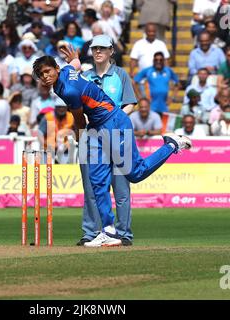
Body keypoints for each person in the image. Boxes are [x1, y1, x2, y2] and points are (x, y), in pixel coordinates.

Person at [32, 45, 192, 247]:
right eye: (41, 75)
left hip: (113, 122)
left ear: (56, 68)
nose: (45, 77)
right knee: (97, 179)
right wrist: (75, 58)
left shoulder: (69, 90)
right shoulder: (66, 71)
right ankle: (108, 231)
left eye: (47, 71)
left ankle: (171, 145)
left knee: (135, 173)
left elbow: (79, 120)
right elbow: (75, 64)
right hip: (99, 127)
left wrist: (81, 139)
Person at [79, 34, 137, 245]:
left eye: (103, 48)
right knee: (93, 189)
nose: (98, 52)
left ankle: (123, 234)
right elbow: (77, 106)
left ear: (111, 51)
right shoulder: (84, 76)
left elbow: (130, 103)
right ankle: (92, 233)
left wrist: (115, 120)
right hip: (92, 136)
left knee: (121, 189)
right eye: (95, 48)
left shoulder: (120, 75)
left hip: (117, 137)